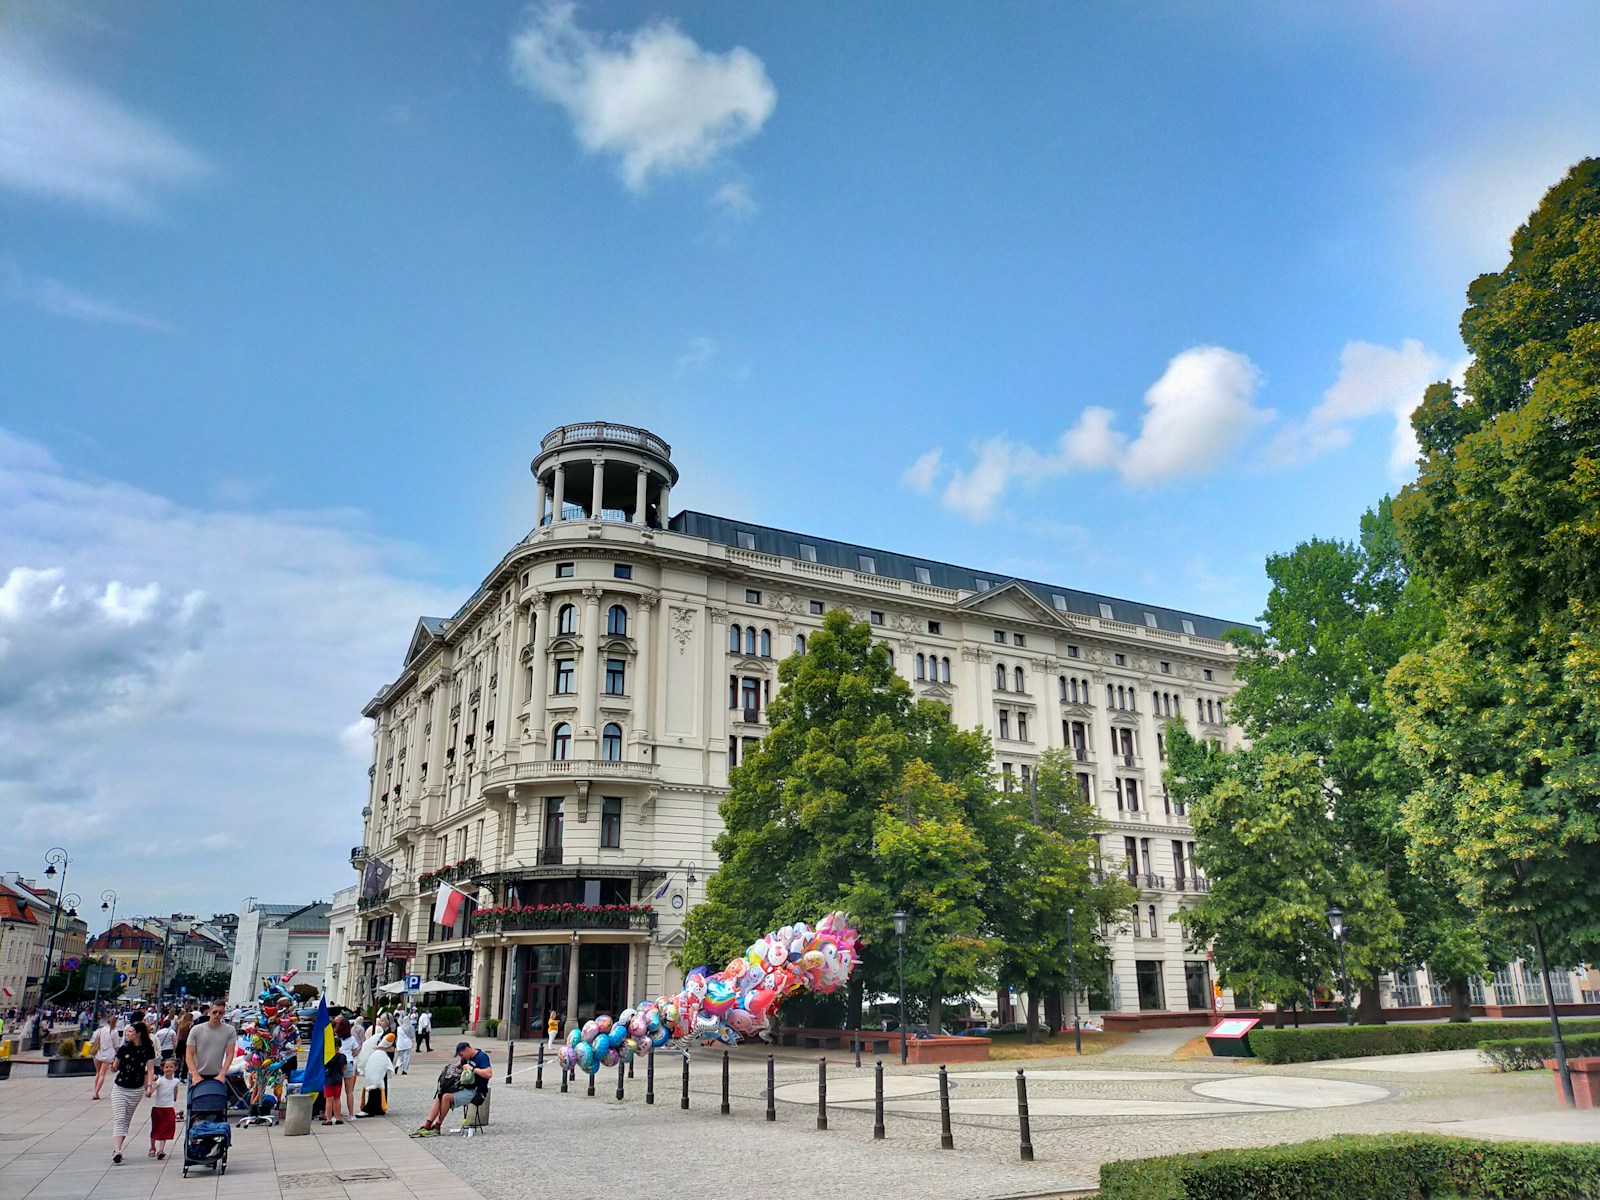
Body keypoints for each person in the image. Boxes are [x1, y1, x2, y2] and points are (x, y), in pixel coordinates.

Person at [410, 1041, 490, 1137]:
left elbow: (489, 1073)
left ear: (467, 1049)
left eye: (461, 1054)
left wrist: (473, 1069)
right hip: (464, 1087)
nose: (461, 1057)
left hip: (476, 1091)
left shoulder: (481, 1057)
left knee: (446, 1097)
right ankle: (427, 1125)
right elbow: (457, 1066)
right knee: (440, 1094)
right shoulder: (466, 1058)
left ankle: (437, 1126)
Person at [110, 1021, 156, 1164]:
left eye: (130, 1031)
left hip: (135, 1090)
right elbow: (115, 1066)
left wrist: (149, 1086)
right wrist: (113, 1067)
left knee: (126, 1120)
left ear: (138, 1033)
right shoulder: (124, 1049)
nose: (127, 1034)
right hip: (120, 1088)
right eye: (127, 1032)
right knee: (119, 1118)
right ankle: (117, 1150)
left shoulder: (147, 1050)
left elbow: (150, 1070)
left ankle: (118, 1148)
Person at [185, 1002, 237, 1086]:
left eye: (220, 1013)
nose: (217, 1015)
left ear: (223, 1014)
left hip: (216, 1075)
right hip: (196, 1074)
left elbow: (230, 1054)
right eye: (214, 1012)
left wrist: (222, 1074)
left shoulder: (230, 1030)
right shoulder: (196, 1030)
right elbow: (189, 1054)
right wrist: (195, 1075)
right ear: (209, 1011)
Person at [148, 1057, 181, 1159]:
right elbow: (154, 1088)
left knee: (165, 1128)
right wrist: (150, 1092)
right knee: (156, 1128)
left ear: (175, 1068)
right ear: (163, 1068)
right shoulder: (160, 1080)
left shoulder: (176, 1080)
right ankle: (152, 1147)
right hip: (158, 1108)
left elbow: (175, 1089)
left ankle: (161, 1150)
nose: (169, 1069)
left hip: (168, 1107)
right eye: (166, 1067)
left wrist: (175, 1097)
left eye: (171, 1067)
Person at [356, 1032, 394, 1117]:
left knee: (376, 1084)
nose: (381, 1022)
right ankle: (377, 1107)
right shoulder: (381, 1034)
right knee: (375, 1085)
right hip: (377, 1063)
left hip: (380, 1064)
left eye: (383, 1020)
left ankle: (373, 1108)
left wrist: (379, 1048)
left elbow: (392, 1048)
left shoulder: (388, 1033)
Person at [90, 1013, 118, 1101]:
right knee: (102, 1074)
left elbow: (92, 1041)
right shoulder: (114, 1032)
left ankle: (96, 1091)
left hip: (98, 1053)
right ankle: (96, 1092)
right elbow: (116, 1045)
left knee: (98, 1073)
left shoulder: (99, 1030)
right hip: (107, 1054)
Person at [321, 1050, 347, 1126]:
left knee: (329, 1099)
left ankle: (328, 1119)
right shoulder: (342, 1057)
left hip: (328, 1080)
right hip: (338, 1079)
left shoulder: (327, 1056)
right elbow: (345, 1068)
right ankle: (338, 1118)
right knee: (337, 1098)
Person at [174, 1011, 193, 1081]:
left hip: (180, 1042)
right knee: (186, 1060)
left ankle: (176, 1074)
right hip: (186, 1043)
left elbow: (178, 1035)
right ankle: (183, 1076)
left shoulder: (180, 1024)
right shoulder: (190, 1025)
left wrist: (176, 1043)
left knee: (178, 1059)